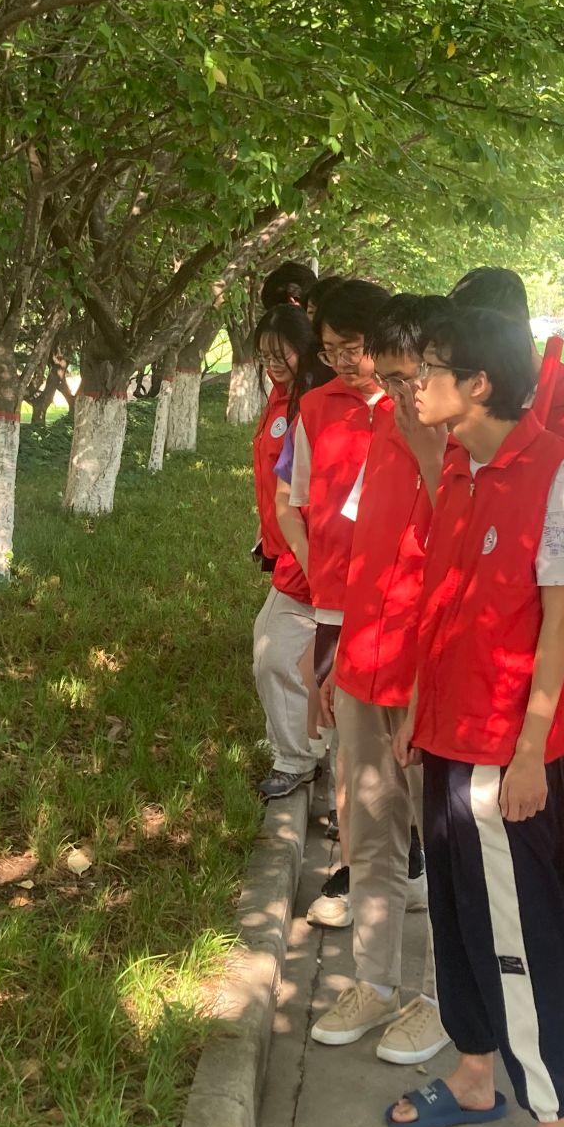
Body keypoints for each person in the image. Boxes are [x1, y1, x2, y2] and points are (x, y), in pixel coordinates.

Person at [384, 306, 564, 1127]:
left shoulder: (559, 472)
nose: (414, 385)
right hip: (446, 735)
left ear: (477, 383)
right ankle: (475, 1075)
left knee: (520, 938)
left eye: (429, 370)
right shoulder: (459, 467)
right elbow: (448, 602)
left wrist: (530, 751)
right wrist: (417, 709)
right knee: (458, 921)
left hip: (506, 754)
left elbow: (558, 624)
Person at [451, 265, 564, 1049]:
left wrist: (536, 571)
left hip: (563, 626)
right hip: (489, 641)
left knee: (549, 805)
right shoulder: (465, 425)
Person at [308, 293, 448, 1064]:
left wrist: (431, 448)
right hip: (367, 664)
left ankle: (444, 999)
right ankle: (375, 982)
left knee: (445, 848)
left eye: (411, 378)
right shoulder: (385, 430)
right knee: (369, 834)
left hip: (431, 680)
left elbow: (463, 565)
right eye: (390, 379)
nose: (400, 395)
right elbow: (368, 554)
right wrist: (341, 655)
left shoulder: (474, 445)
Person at [282, 280, 394, 928]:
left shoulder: (416, 405)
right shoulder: (316, 408)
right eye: (331, 351)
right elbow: (297, 502)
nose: (345, 362)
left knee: (399, 738)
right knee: (345, 741)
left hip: (401, 602)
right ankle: (354, 868)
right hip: (337, 602)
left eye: (354, 347)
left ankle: (406, 859)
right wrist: (318, 571)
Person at [250, 303, 321, 801]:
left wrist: (309, 555)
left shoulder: (311, 407)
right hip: (286, 550)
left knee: (277, 655)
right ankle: (295, 744)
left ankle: (297, 756)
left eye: (283, 354)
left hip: (311, 553)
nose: (274, 364)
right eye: (265, 356)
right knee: (279, 653)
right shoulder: (279, 400)